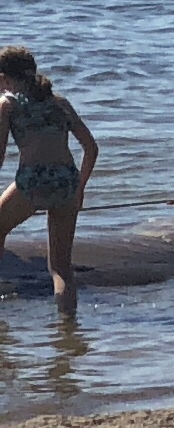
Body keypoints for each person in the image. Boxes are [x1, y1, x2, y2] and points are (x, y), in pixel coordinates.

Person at [0, 46, 98, 314]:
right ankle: (68, 330)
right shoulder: (59, 103)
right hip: (67, 180)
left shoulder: (7, 105)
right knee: (61, 267)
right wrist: (80, 187)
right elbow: (91, 147)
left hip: (33, 180)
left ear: (5, 78)